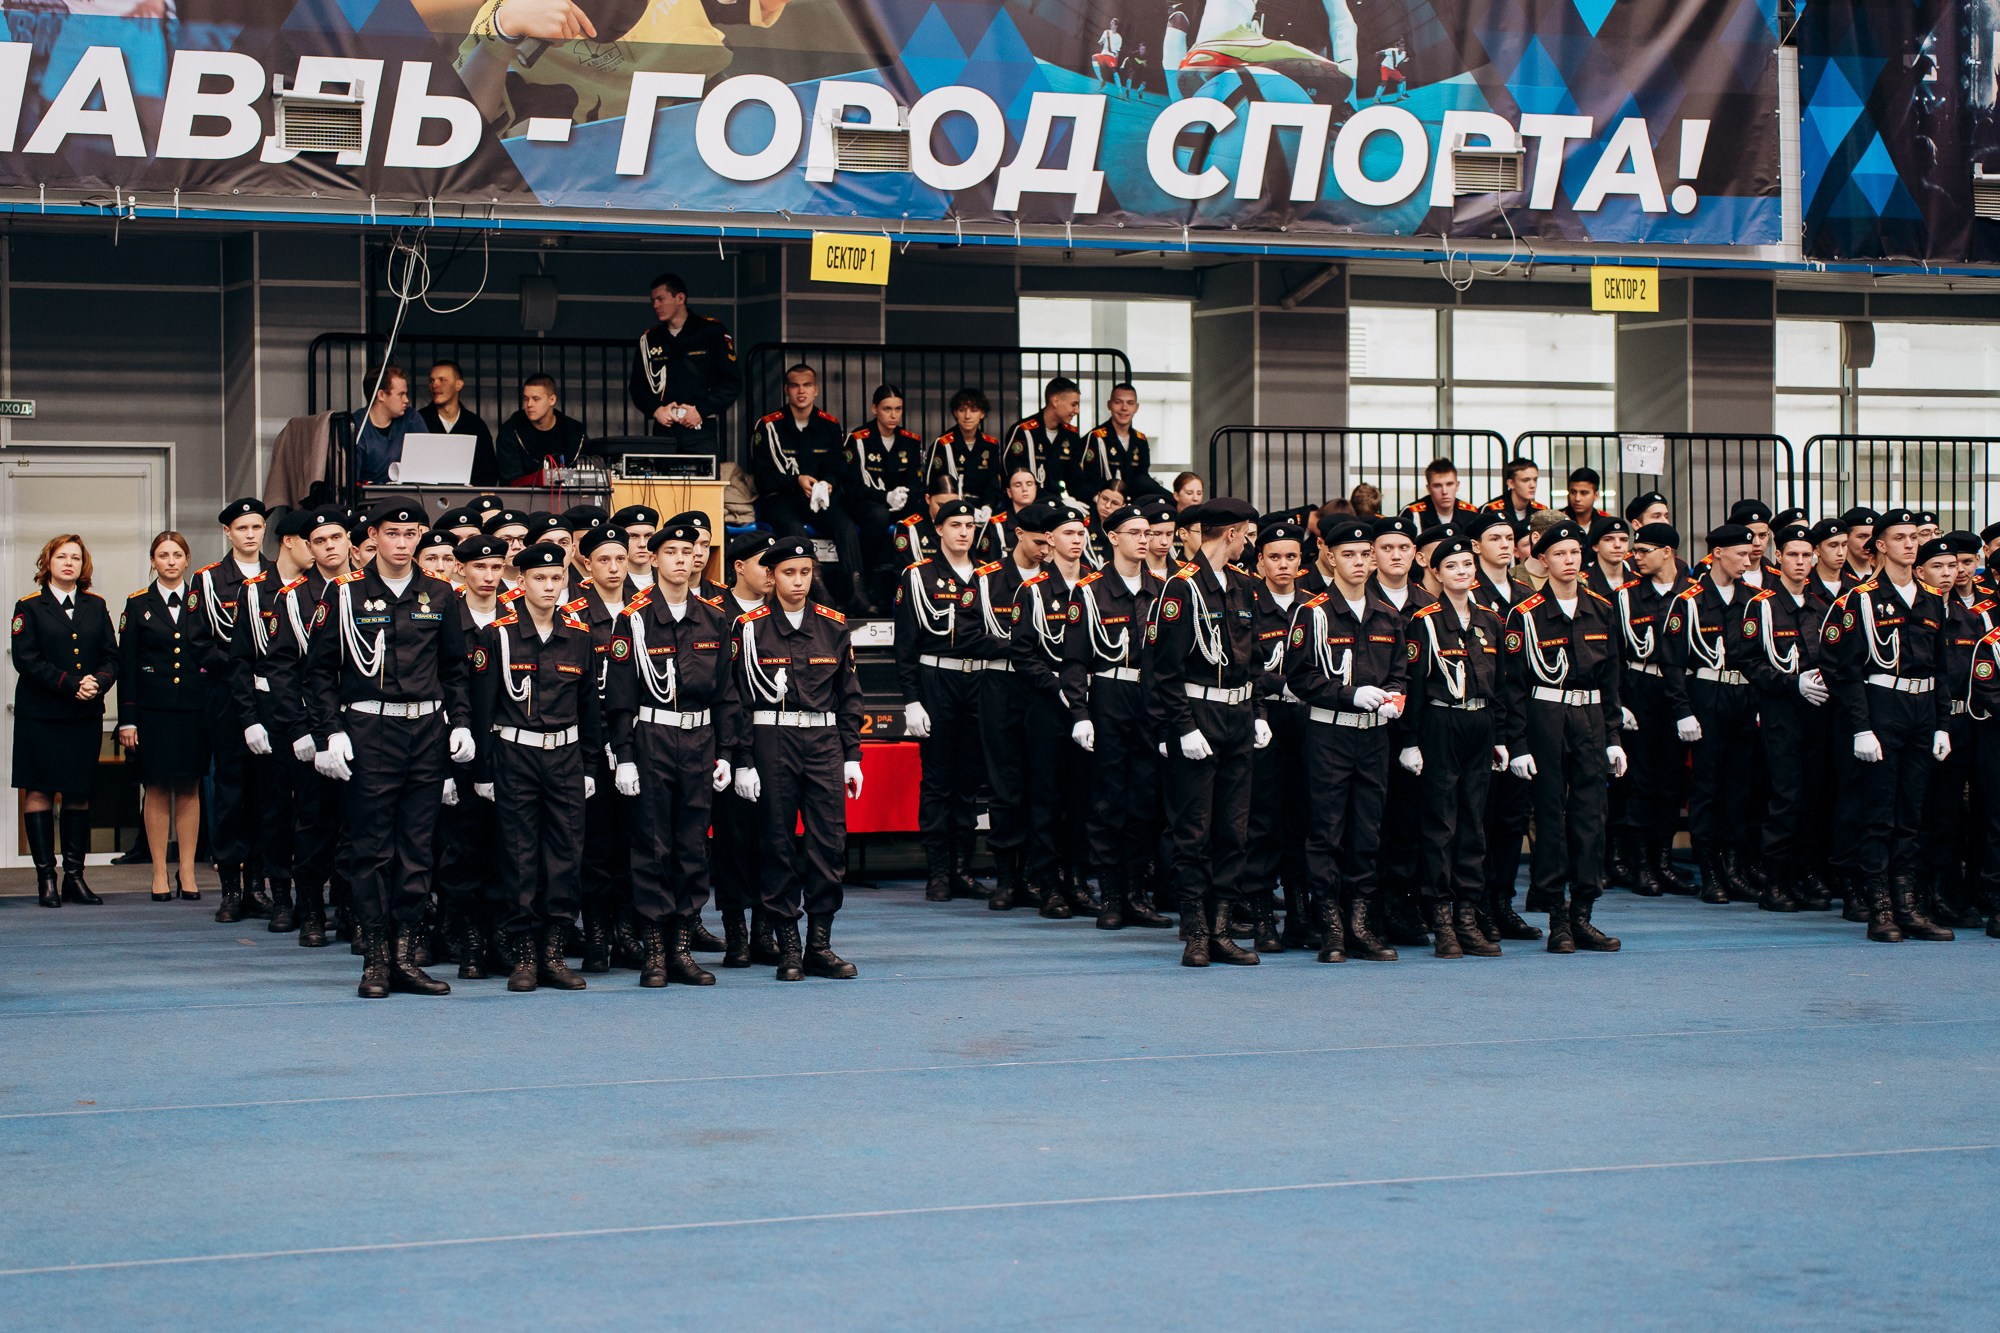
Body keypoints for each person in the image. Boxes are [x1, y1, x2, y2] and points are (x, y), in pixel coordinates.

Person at [303, 498, 475, 999]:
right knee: (373, 849)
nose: (402, 544)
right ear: (373, 537)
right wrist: (329, 732)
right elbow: (317, 672)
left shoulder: (441, 594)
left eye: (411, 534)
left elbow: (455, 670)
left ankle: (406, 955)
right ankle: (375, 960)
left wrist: (459, 723)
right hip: (370, 732)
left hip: (425, 732)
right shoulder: (344, 594)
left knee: (418, 850)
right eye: (393, 534)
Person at [606, 519, 744, 987]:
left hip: (700, 740)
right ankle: (655, 950)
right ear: (655, 559)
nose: (683, 560)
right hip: (653, 738)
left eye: (689, 552)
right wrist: (623, 755)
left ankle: (682, 946)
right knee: (652, 846)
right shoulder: (635, 618)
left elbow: (727, 694)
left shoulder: (714, 618)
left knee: (691, 847)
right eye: (672, 553)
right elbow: (620, 697)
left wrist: (727, 753)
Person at [729, 537, 867, 981]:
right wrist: (744, 761)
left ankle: (819, 945)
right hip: (772, 739)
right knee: (776, 843)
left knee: (829, 844)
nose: (798, 581)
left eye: (805, 572)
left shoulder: (833, 625)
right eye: (789, 572)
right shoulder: (749, 628)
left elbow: (850, 697)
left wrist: (852, 756)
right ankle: (788, 945)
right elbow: (738, 702)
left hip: (824, 741)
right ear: (771, 577)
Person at [1820, 509, 1955, 944]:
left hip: (1921, 707)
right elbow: (1843, 670)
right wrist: (1861, 727)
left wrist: (1942, 724)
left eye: (1914, 537)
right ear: (1879, 545)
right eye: (1899, 537)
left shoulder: (1932, 598)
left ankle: (1908, 903)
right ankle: (1879, 905)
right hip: (1882, 704)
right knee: (1878, 812)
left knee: (1911, 813)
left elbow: (1942, 666)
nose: (1910, 544)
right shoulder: (1858, 598)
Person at [469, 543, 599, 994]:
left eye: (556, 578)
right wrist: (483, 772)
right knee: (520, 857)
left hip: (565, 756)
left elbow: (590, 711)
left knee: (565, 857)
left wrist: (591, 768)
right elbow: (484, 710)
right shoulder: (499, 636)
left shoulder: (579, 638)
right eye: (539, 579)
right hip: (515, 755)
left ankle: (554, 953)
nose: (549, 586)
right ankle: (523, 954)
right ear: (520, 582)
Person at [1286, 517, 1408, 963]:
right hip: (1329, 733)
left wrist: (1395, 697)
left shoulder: (1387, 614)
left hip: (1374, 737)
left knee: (1367, 833)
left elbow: (1399, 671)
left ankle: (1360, 924)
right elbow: (1300, 677)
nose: (1358, 562)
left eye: (1364, 555)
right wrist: (1349, 693)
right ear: (1331, 558)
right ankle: (1330, 926)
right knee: (1326, 832)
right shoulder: (1313, 612)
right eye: (1348, 555)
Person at [1151, 496, 1266, 967]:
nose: (1247, 544)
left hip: (1238, 716)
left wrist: (1258, 712)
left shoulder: (1243, 586)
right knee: (1193, 831)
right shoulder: (1181, 588)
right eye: (1246, 535)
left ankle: (1221, 929)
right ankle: (1195, 930)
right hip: (1198, 714)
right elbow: (1161, 671)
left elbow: (1254, 659)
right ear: (1232, 533)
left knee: (1233, 831)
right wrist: (1181, 726)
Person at [1502, 520, 1624, 953]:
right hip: (1547, 713)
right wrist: (1516, 745)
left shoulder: (1602, 608)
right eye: (1559, 554)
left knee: (1592, 816)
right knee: (1550, 816)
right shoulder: (1527, 613)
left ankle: (1584, 913)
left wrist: (1613, 736)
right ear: (1542, 560)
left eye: (1574, 553)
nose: (1569, 561)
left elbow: (1612, 679)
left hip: (1590, 714)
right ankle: (1557, 917)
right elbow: (1513, 685)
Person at [1063, 503, 1172, 931]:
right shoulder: (1089, 591)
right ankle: (1110, 895)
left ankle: (1135, 892)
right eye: (1135, 532)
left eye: (1148, 532)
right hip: (1109, 692)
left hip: (1149, 696)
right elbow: (1074, 661)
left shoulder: (1162, 589)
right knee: (1108, 799)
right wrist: (1079, 712)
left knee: (1144, 800)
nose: (1144, 540)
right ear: (1112, 537)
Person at [1402, 535, 1511, 958]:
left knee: (1474, 823)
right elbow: (1413, 684)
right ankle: (1441, 917)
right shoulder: (1425, 621)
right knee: (1440, 823)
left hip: (1480, 723)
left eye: (1468, 564)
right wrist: (1410, 740)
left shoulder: (1490, 620)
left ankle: (1468, 914)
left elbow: (1500, 685)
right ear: (1437, 573)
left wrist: (1500, 737)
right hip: (1440, 722)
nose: (1463, 572)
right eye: (1453, 566)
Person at [11, 533, 117, 909]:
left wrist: (99, 682)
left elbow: (111, 656)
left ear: (83, 565)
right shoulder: (29, 607)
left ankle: (75, 876)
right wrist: (71, 683)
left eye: (75, 557)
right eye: (61, 557)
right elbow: (26, 660)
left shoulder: (95, 605)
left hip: (83, 715)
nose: (69, 563)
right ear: (48, 563)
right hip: (40, 715)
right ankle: (46, 879)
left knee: (78, 793)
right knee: (39, 790)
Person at [263, 506, 352, 949]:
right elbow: (281, 671)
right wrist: (298, 729)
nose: (330, 546)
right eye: (320, 541)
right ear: (308, 548)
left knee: (360, 825)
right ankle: (312, 911)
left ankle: (354, 912)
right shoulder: (292, 598)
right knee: (314, 822)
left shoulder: (365, 590)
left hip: (362, 726)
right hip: (311, 729)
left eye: (336, 537)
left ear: (349, 540)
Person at [1661, 524, 1764, 905]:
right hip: (1706, 692)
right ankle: (1709, 870)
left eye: (1749, 552)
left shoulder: (1754, 600)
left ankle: (1733, 867)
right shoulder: (1687, 601)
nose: (1748, 559)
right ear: (1718, 553)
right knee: (1707, 784)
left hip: (1744, 694)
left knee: (1739, 785)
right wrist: (1683, 712)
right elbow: (1672, 664)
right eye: (1740, 553)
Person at [894, 498, 989, 903]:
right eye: (956, 525)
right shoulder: (918, 576)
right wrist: (911, 700)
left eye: (969, 524)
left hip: (980, 681)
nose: (964, 532)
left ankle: (962, 869)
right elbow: (904, 646)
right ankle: (937, 872)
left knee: (969, 781)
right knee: (937, 780)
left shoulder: (989, 576)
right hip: (936, 678)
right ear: (939, 530)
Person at [1745, 523, 1837, 914]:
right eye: (1793, 555)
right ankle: (1775, 879)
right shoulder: (1762, 605)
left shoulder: (1821, 605)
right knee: (1786, 795)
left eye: (1806, 555)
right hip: (1781, 709)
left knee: (1815, 795)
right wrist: (1789, 682)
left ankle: (1806, 873)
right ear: (1778, 557)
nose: (1801, 562)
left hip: (1818, 710)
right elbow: (1748, 662)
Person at [119, 531, 216, 903]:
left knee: (190, 787)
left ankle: (188, 869)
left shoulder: (202, 601)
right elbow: (127, 665)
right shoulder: (138, 604)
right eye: (163, 555)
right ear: (153, 561)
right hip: (153, 711)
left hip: (194, 708)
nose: (171, 561)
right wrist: (127, 719)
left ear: (187, 560)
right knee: (157, 787)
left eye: (177, 554)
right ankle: (159, 869)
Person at [196, 498, 276, 923]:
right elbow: (198, 644)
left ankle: (257, 886)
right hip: (227, 696)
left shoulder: (277, 579)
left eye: (257, 526)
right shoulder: (209, 581)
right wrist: (241, 662)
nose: (250, 534)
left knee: (266, 792)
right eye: (242, 527)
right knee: (230, 791)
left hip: (268, 696)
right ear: (228, 532)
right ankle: (229, 888)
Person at [434, 533, 508, 976]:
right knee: (459, 846)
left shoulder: (516, 618)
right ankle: (463, 937)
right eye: (479, 567)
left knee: (504, 847)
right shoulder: (447, 617)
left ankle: (499, 936)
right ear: (460, 570)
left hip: (510, 750)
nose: (488, 576)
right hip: (457, 750)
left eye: (496, 567)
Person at [1015, 505, 1094, 917]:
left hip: (1092, 704)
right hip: (1048, 706)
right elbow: (1023, 655)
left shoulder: (1096, 588)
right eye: (1067, 533)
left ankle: (1076, 879)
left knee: (1082, 796)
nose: (1077, 540)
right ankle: (1048, 883)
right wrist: (1058, 686)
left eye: (1081, 532)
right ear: (1050, 541)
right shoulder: (1034, 591)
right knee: (1046, 796)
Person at [974, 505, 1052, 909]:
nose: (1045, 549)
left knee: (1042, 785)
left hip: (1041, 690)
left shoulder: (1056, 582)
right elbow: (968, 636)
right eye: (1039, 541)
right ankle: (1005, 877)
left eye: (1050, 541)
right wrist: (1023, 648)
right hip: (1001, 684)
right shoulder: (987, 580)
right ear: (1019, 534)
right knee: (1004, 787)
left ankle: (1036, 876)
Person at [712, 531, 782, 966]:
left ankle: (765, 929)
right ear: (739, 567)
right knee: (733, 840)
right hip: (730, 738)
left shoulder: (785, 613)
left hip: (777, 739)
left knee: (773, 838)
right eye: (765, 565)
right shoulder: (716, 614)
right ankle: (735, 930)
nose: (773, 576)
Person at [1617, 522, 1695, 898]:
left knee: (1672, 779)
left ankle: (1663, 861)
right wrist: (1619, 703)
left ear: (1668, 552)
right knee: (1640, 779)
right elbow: (1614, 654)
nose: (1636, 556)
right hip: (1640, 686)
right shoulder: (1627, 596)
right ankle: (1641, 863)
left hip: (1680, 690)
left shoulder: (1691, 594)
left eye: (1645, 550)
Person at [1243, 520, 1310, 949]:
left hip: (1309, 723)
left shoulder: (1316, 606)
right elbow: (1242, 666)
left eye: (1290, 557)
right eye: (1274, 557)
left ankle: (1302, 913)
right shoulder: (1248, 606)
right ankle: (1262, 912)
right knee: (1263, 819)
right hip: (1265, 720)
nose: (1282, 565)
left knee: (1306, 819)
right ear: (1261, 561)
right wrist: (1273, 688)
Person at [629, 272, 742, 460]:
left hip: (700, 428)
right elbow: (637, 387)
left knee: (704, 487)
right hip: (664, 430)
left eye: (661, 299)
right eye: (653, 301)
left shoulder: (712, 331)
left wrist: (701, 410)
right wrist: (656, 410)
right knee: (661, 486)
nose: (655, 306)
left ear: (680, 298)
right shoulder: (649, 339)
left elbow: (731, 382)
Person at [836, 384, 922, 611]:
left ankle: (914, 580)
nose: (893, 415)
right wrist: (886, 496)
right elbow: (852, 486)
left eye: (898, 409)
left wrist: (905, 495)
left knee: (920, 511)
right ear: (875, 409)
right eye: (887, 409)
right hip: (866, 503)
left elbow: (915, 480)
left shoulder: (910, 441)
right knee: (879, 515)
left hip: (899, 503)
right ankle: (868, 577)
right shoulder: (859, 439)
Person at [751, 363, 847, 542]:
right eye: (795, 386)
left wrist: (829, 483)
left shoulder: (830, 425)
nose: (801, 391)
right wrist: (796, 480)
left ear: (816, 390)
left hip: (819, 500)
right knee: (793, 528)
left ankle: (855, 572)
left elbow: (838, 466)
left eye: (807, 385)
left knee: (845, 526)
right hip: (780, 499)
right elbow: (762, 477)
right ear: (787, 390)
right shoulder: (768, 426)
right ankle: (810, 571)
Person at [1078, 384, 1168, 503]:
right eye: (1118, 402)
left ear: (1136, 407)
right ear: (1109, 405)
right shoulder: (1096, 438)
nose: (1124, 408)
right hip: (1103, 506)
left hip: (1133, 505)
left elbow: (1142, 479)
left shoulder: (1140, 440)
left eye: (1130, 403)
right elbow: (1088, 480)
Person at [493, 375, 589, 486]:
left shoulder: (574, 431)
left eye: (536, 399)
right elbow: (511, 481)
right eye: (525, 399)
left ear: (552, 400)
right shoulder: (510, 431)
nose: (529, 404)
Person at [1003, 378, 1085, 505]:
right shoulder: (1023, 431)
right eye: (1073, 404)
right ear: (1055, 401)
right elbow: (1013, 477)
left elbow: (1075, 479)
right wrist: (1058, 502)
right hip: (1026, 507)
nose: (1077, 410)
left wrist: (1094, 498)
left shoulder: (1071, 435)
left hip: (1058, 506)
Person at [419, 360, 497, 485]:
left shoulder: (476, 425)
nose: (435, 385)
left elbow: (488, 474)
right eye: (432, 380)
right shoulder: (419, 421)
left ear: (458, 385)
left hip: (467, 500)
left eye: (442, 380)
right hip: (426, 498)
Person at [926, 388, 1003, 509]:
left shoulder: (990, 445)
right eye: (962, 410)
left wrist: (987, 507)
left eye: (974, 410)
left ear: (982, 414)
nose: (967, 416)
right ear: (955, 413)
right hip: (952, 507)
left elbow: (993, 485)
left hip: (982, 508)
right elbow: (933, 484)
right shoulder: (943, 444)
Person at [352, 364, 413, 485]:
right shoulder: (356, 426)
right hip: (368, 500)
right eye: (401, 394)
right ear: (381, 395)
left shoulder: (411, 418)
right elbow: (351, 481)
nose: (406, 400)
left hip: (407, 497)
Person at [1404, 457, 1478, 530]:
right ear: (1428, 489)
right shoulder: (1413, 514)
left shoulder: (1471, 514)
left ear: (1457, 485)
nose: (1444, 491)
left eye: (1449, 484)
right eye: (1437, 486)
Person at [613, 505, 661, 592]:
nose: (642, 544)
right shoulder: (612, 582)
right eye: (633, 536)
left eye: (648, 536)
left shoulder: (667, 579)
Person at [1484, 459, 1545, 523]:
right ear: (1511, 484)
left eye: (1535, 480)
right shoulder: (1492, 510)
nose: (1532, 485)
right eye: (1525, 480)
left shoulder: (1541, 511)